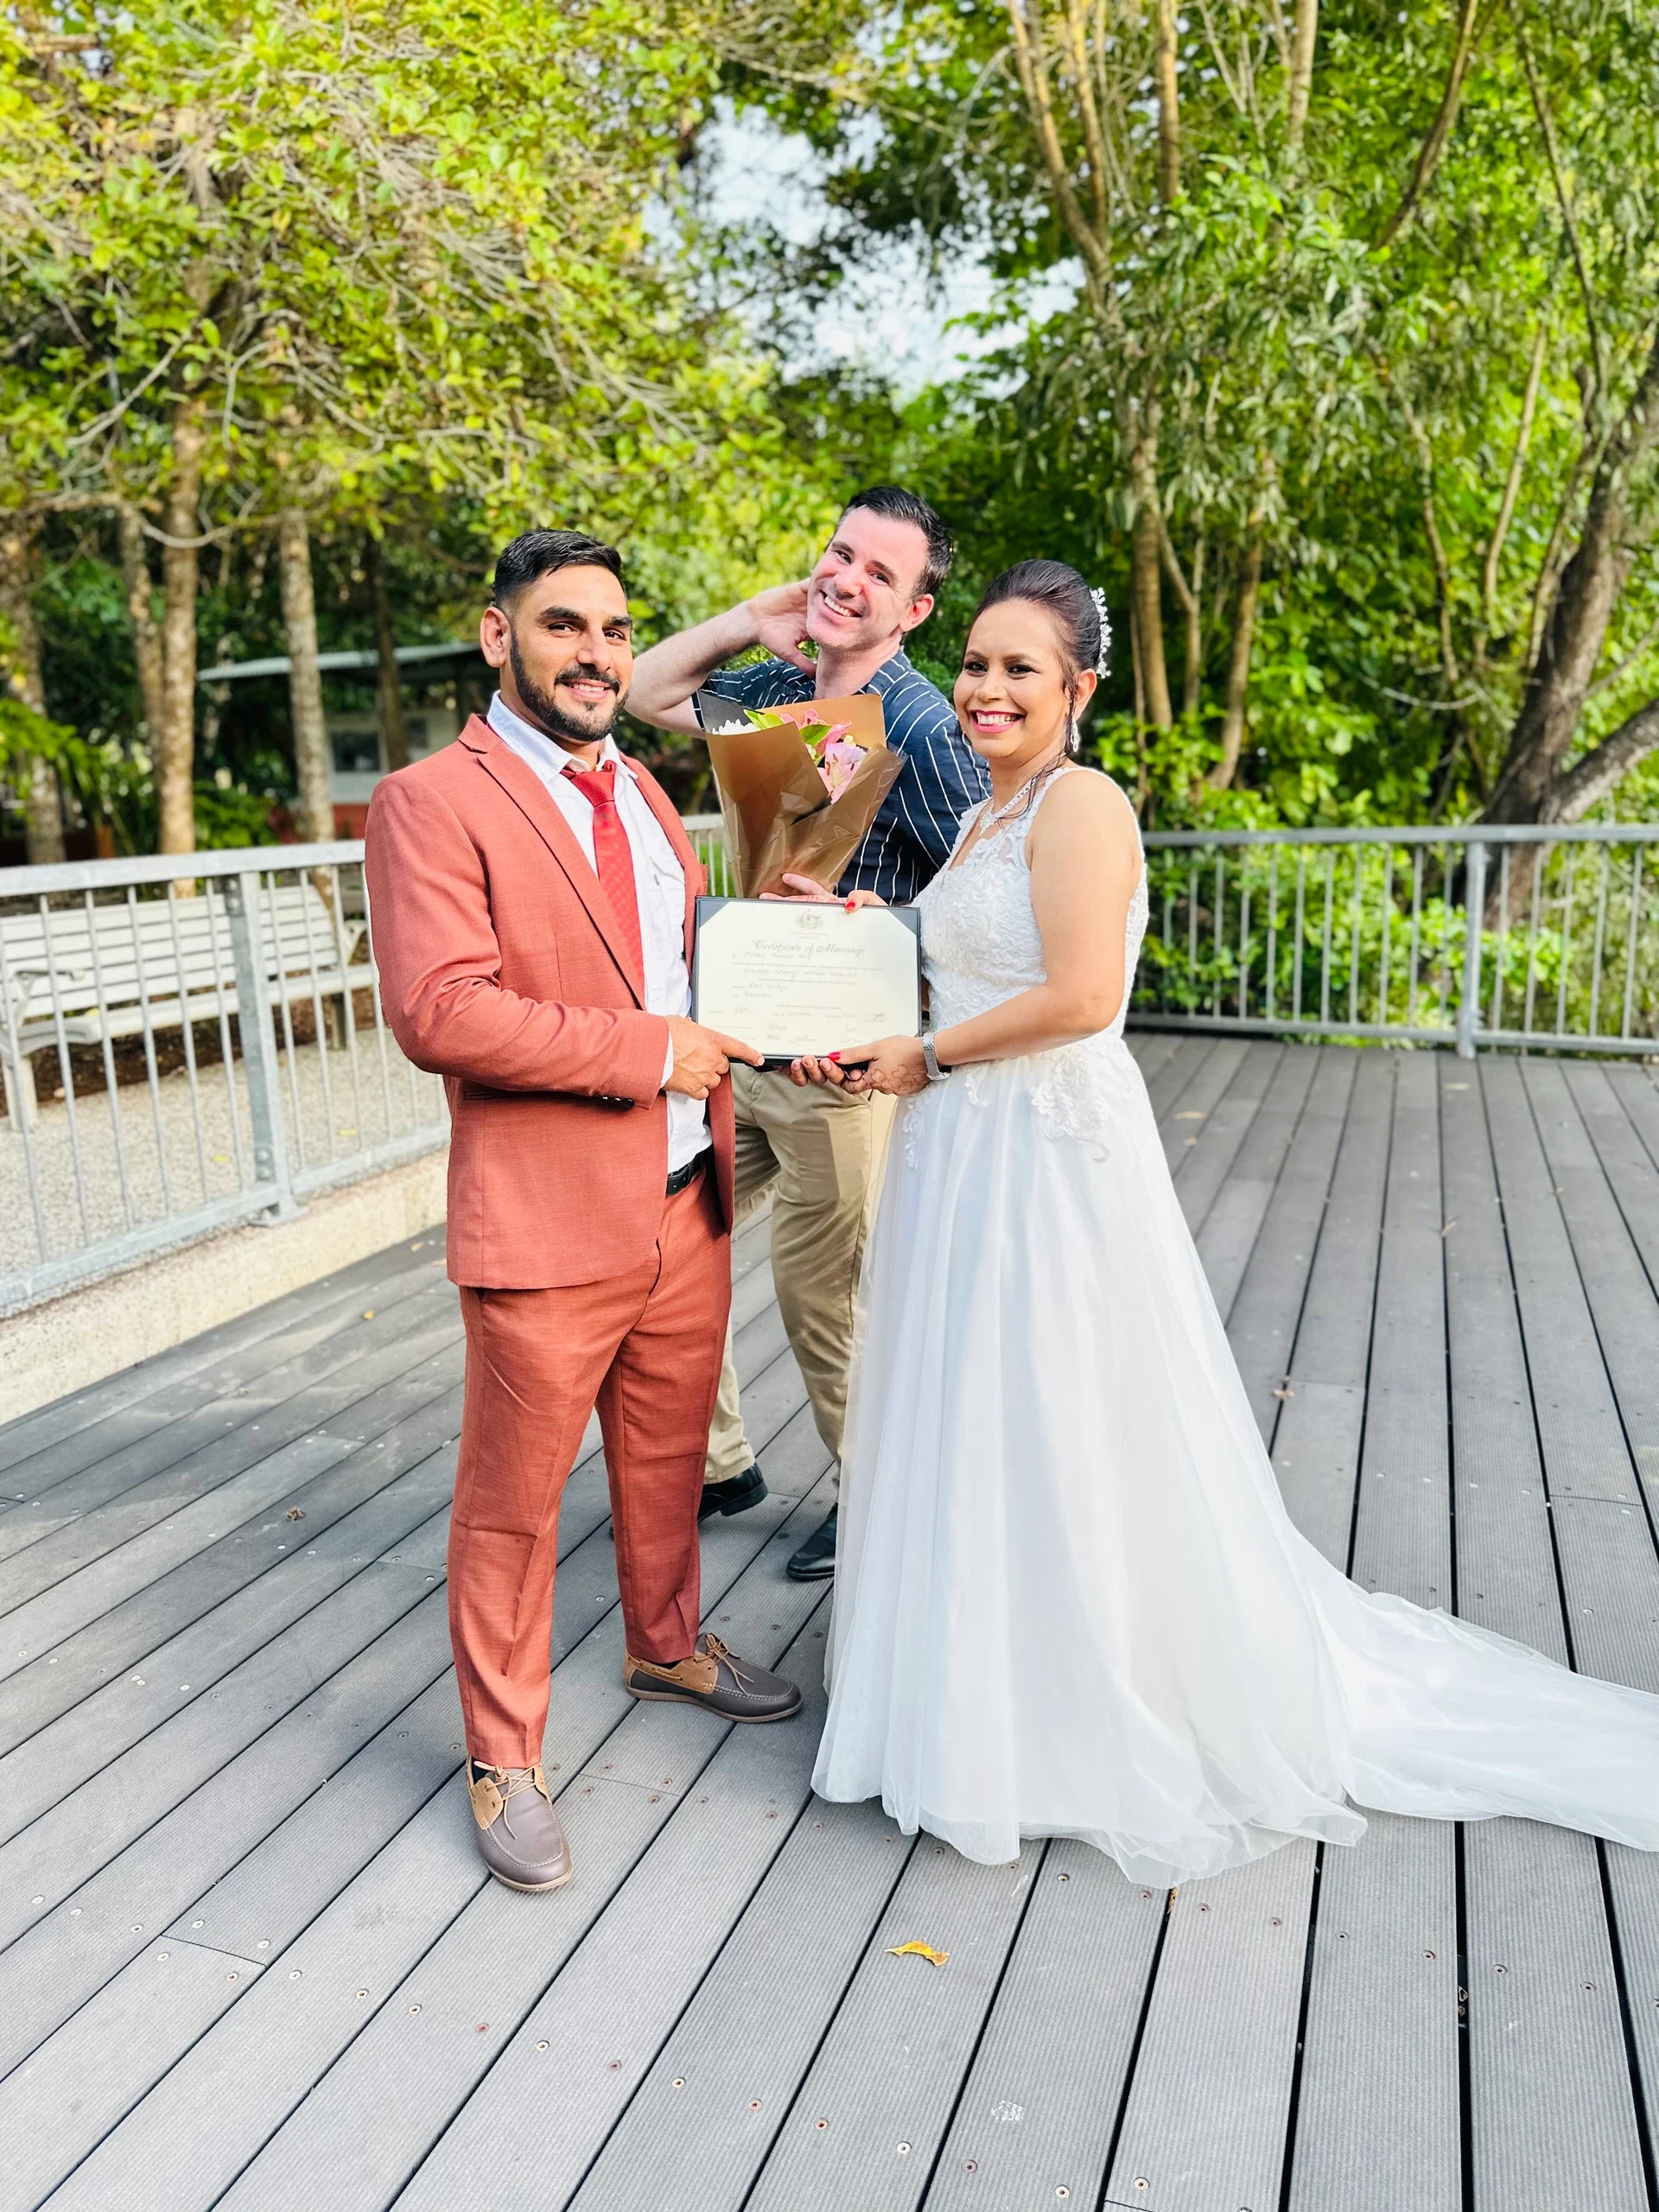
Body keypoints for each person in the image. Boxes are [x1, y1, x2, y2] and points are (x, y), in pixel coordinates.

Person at [802, 557, 1659, 1885]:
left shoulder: (1082, 805)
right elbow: (968, 958)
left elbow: (1084, 997)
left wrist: (926, 1054)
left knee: (1056, 1402)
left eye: (1021, 667)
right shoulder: (980, 814)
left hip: (1040, 1152)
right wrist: (874, 933)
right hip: (960, 1144)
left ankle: (1073, 1704)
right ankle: (974, 1683)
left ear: (1080, 689)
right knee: (972, 1399)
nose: (986, 686)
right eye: (974, 662)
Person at [365, 529, 802, 1897]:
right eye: (565, 625)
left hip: (685, 1196)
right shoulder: (431, 800)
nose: (597, 654)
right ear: (499, 636)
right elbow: (440, 1011)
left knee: (667, 1459)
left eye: (615, 631)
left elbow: (675, 970)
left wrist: (793, 966)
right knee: (514, 1505)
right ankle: (503, 1754)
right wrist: (650, 1051)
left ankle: (665, 1645)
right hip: (549, 1218)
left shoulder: (647, 793)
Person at [629, 486, 988, 1581]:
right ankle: (720, 1462)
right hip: (736, 1039)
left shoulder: (924, 727)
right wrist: (752, 617)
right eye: (841, 553)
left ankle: (876, 1497)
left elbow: (982, 895)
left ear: (916, 611)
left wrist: (882, 931)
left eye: (881, 573)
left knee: (822, 1294)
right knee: (656, 1243)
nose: (848, 579)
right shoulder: (774, 686)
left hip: (840, 1067)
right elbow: (646, 690)